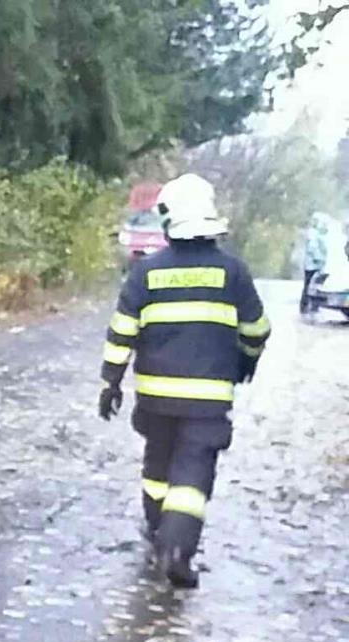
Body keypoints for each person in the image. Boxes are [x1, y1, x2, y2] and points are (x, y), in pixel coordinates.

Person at [99, 173, 270, 589]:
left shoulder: (145, 274)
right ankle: (177, 550)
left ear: (168, 220)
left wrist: (111, 382)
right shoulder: (233, 273)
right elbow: (257, 330)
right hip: (208, 401)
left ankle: (158, 530)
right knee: (192, 474)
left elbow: (121, 331)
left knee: (158, 465)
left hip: (155, 397)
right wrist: (246, 361)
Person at [302, 212, 331, 314]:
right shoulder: (313, 233)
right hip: (313, 265)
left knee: (314, 285)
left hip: (316, 265)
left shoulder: (319, 233)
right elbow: (312, 248)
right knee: (311, 285)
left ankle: (311, 306)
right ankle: (307, 306)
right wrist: (319, 260)